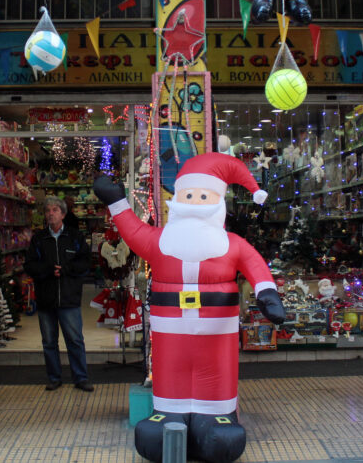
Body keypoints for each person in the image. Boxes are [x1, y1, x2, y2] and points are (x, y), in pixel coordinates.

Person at [92, 154, 286, 463]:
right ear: (178, 199)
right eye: (189, 195)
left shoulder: (231, 243)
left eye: (203, 196)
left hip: (217, 332)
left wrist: (268, 295)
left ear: (218, 201)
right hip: (171, 333)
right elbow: (133, 231)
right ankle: (169, 411)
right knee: (170, 373)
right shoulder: (161, 240)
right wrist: (116, 201)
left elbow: (255, 266)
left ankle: (218, 416)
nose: (195, 202)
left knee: (218, 377)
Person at [23, 196, 92, 392]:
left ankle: (81, 378)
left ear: (63, 214)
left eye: (55, 210)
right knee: (49, 342)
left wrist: (66, 269)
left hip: (69, 298)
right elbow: (29, 265)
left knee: (75, 340)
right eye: (48, 210)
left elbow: (85, 263)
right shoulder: (39, 239)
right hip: (46, 299)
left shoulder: (75, 237)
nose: (50, 213)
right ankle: (54, 378)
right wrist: (47, 270)